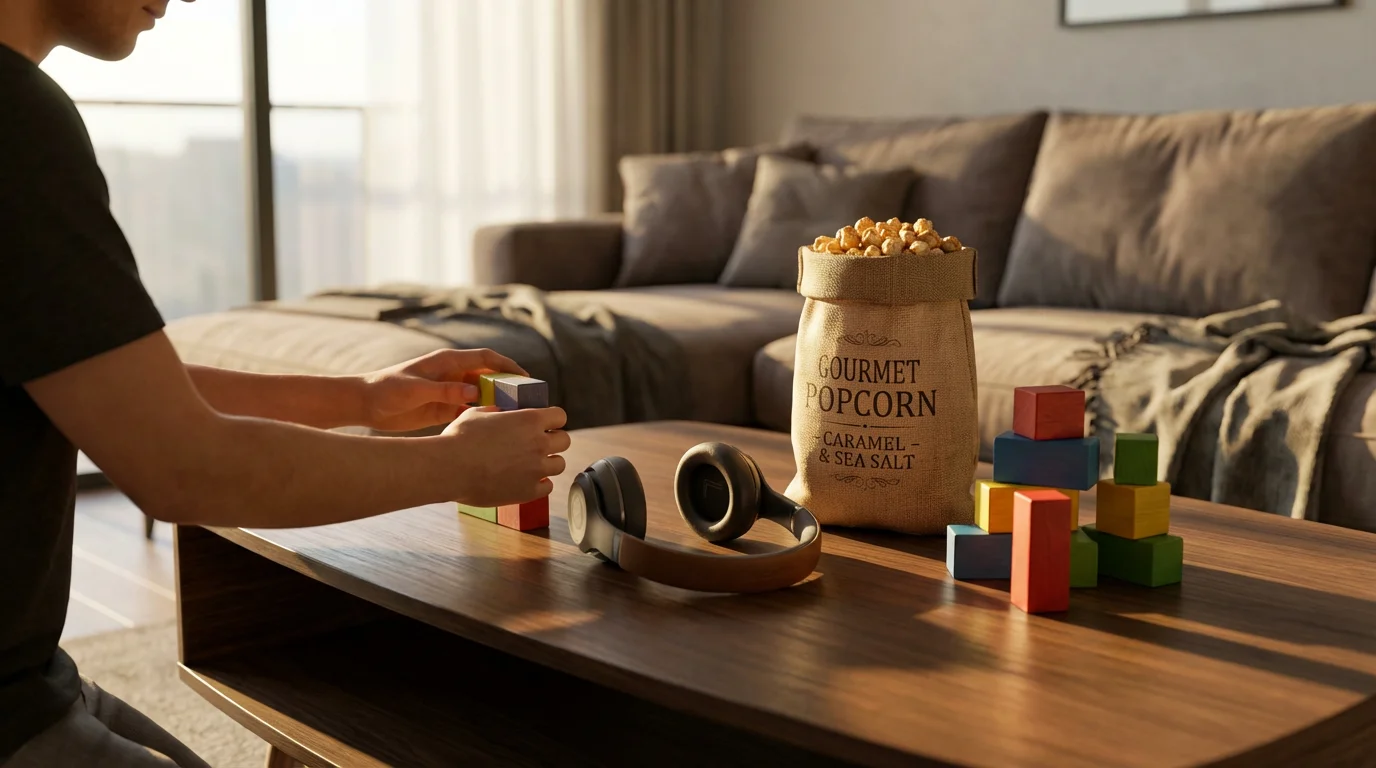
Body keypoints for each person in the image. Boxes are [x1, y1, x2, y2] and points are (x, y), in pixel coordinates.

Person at [0, 0, 571, 765]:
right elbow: (183, 466)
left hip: (30, 684)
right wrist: (457, 466)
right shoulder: (16, 122)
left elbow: (110, 386)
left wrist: (363, 399)